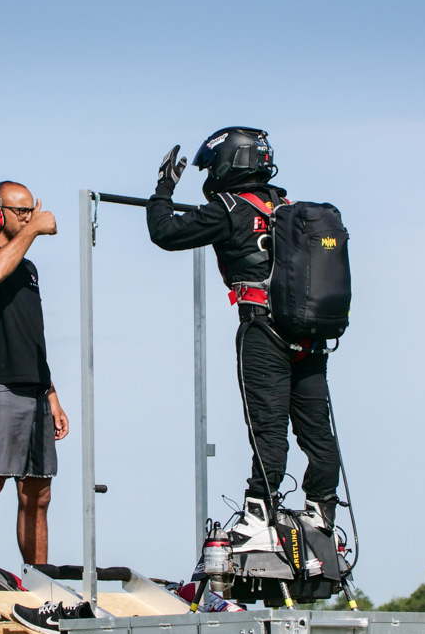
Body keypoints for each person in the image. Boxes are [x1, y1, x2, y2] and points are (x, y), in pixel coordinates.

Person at [146, 127, 341, 551]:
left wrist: (163, 186)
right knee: (317, 432)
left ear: (228, 162)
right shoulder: (288, 207)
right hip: (310, 337)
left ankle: (258, 514)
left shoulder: (227, 209)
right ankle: (322, 511)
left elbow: (164, 232)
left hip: (263, 329)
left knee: (267, 428)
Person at [0, 181, 69, 623]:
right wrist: (34, 230)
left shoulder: (30, 268)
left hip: (37, 392)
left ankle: (40, 589)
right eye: (20, 211)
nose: (27, 217)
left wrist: (52, 393)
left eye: (31, 211)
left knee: (38, 495)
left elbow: (33, 336)